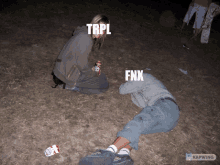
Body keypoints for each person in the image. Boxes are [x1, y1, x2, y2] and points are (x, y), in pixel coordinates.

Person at [79, 73, 180, 165]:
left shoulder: (143, 76)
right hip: (169, 120)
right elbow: (140, 103)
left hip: (165, 105)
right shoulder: (150, 87)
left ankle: (109, 152)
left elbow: (122, 90)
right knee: (137, 129)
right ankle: (124, 155)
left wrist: (129, 84)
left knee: (136, 124)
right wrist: (135, 91)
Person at [51, 14, 110, 95]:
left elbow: (80, 60)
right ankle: (70, 86)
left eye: (103, 30)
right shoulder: (85, 38)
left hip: (65, 70)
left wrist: (92, 69)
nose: (101, 32)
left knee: (102, 77)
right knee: (103, 85)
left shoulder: (84, 33)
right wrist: (92, 73)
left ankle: (74, 84)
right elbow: (81, 64)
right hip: (64, 76)